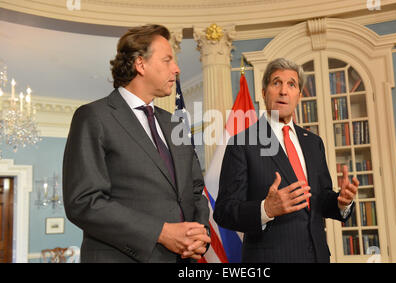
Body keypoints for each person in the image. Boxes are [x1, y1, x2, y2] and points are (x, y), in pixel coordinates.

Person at [63, 24, 210, 263]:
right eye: (167, 60)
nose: (177, 69)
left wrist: (200, 234)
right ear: (140, 64)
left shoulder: (175, 124)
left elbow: (195, 190)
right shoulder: (94, 117)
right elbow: (84, 202)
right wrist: (161, 233)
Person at [213, 58, 358, 263]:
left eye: (291, 84)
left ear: (298, 95)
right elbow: (224, 211)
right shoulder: (242, 144)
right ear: (264, 93)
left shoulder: (313, 143)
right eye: (276, 83)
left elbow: (319, 201)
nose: (283, 91)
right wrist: (266, 209)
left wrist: (341, 202)